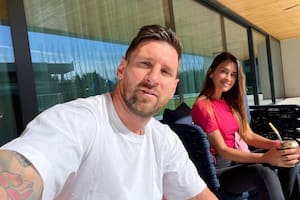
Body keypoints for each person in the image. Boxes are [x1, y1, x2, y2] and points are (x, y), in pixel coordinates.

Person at [0, 25, 217, 200]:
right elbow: (22, 170)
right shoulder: (77, 120)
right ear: (122, 69)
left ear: (173, 88)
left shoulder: (165, 139)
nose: (152, 78)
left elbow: (198, 196)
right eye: (144, 64)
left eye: (165, 72)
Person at [191, 51, 300, 200]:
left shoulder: (229, 103)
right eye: (224, 71)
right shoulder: (203, 106)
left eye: (233, 74)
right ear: (211, 73)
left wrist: (277, 145)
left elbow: (247, 135)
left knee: (288, 155)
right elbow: (222, 151)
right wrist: (264, 157)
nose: (228, 78)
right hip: (222, 171)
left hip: (238, 161)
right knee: (263, 172)